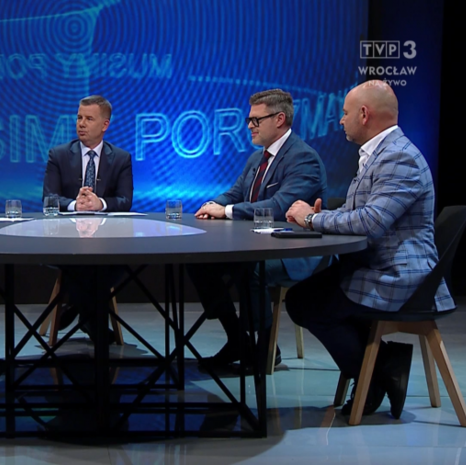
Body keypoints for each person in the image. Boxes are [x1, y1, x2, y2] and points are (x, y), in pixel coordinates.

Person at [285, 80, 454, 418]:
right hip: (373, 265)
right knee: (304, 298)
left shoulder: (398, 157)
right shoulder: (379, 154)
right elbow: (358, 213)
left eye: (345, 113)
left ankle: (376, 374)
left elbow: (371, 222)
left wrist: (312, 220)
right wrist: (323, 217)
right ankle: (383, 363)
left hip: (399, 275)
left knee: (307, 303)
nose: (340, 120)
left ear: (364, 114)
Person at [187, 89, 327, 371]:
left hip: (296, 251)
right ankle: (238, 339)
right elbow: (235, 193)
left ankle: (266, 348)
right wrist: (212, 205)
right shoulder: (256, 158)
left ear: (279, 119)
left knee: (252, 268)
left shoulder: (303, 158)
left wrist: (226, 211)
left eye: (256, 120)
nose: (249, 126)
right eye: (248, 120)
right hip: (258, 244)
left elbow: (279, 207)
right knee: (199, 262)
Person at [41, 95, 134, 342]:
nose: (81, 124)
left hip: (107, 241)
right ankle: (92, 320)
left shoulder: (121, 158)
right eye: (79, 118)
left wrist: (99, 204)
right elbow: (49, 198)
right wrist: (76, 205)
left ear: (105, 125)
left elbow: (125, 200)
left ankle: (76, 306)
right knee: (83, 262)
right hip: (65, 241)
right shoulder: (59, 155)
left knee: (118, 261)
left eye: (89, 119)